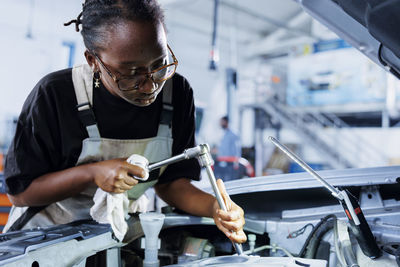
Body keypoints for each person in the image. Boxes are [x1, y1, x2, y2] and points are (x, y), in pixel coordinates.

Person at [3, 0, 246, 244]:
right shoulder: (56, 94)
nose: (151, 86)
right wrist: (93, 173)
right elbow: (21, 193)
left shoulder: (177, 93)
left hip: (116, 238)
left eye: (159, 64)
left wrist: (214, 207)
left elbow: (171, 183)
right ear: (93, 60)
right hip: (42, 240)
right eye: (131, 73)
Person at [215, 116, 242, 181]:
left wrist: (236, 161)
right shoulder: (223, 134)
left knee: (230, 180)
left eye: (222, 122)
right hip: (222, 162)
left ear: (226, 122)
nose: (220, 124)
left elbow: (237, 149)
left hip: (231, 163)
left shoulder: (233, 134)